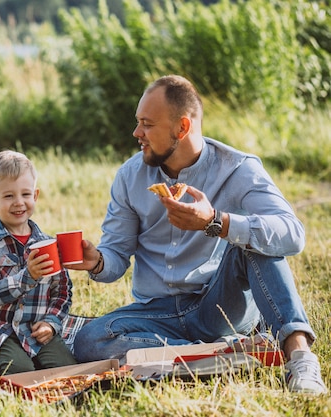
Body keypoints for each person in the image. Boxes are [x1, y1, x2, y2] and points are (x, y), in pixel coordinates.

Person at [67, 75, 327, 394]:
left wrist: (218, 222)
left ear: (182, 128)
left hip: (217, 304)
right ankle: (224, 353)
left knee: (256, 241)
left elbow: (292, 234)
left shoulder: (238, 169)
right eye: (138, 123)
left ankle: (300, 358)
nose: (137, 133)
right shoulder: (129, 176)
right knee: (90, 340)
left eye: (147, 124)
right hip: (157, 312)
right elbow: (116, 257)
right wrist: (97, 261)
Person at [0, 150, 77, 377]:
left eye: (25, 194)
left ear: (35, 195)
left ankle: (31, 357)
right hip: (2, 331)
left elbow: (62, 292)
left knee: (68, 370)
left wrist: (51, 324)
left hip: (37, 330)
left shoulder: (48, 244)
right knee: (21, 371)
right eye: (8, 196)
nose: (19, 203)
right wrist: (27, 276)